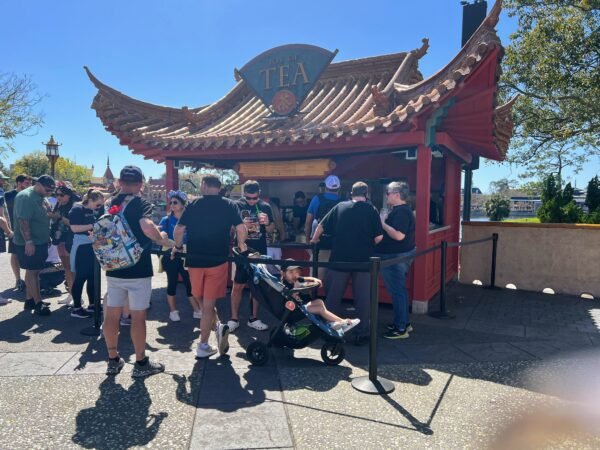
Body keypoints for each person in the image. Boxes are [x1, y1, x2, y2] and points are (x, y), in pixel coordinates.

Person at [102, 166, 174, 377]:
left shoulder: (110, 204)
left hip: (114, 266)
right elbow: (146, 225)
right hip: (138, 268)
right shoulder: (141, 204)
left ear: (120, 183)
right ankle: (141, 363)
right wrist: (162, 239)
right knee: (138, 316)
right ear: (141, 184)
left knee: (112, 314)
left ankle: (113, 359)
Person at [172, 175, 247, 358]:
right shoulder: (229, 204)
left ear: (204, 186)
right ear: (219, 187)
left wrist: (178, 246)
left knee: (201, 301)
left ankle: (215, 332)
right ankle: (204, 343)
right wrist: (242, 245)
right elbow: (241, 228)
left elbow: (179, 229)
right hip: (217, 260)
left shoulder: (193, 204)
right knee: (208, 305)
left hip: (194, 260)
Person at [311, 181, 383, 345]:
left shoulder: (339, 207)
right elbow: (379, 237)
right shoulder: (371, 209)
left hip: (339, 259)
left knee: (333, 296)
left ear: (351, 193)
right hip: (364, 261)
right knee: (363, 299)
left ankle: (327, 328)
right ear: (366, 195)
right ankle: (362, 333)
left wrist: (314, 240)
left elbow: (320, 226)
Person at [229, 180, 274, 332]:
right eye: (248, 198)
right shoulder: (236, 205)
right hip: (241, 251)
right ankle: (234, 319)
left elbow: (270, 230)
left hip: (259, 251)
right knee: (237, 285)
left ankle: (253, 318)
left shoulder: (265, 206)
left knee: (257, 287)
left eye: (254, 198)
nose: (251, 201)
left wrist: (267, 223)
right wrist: (240, 226)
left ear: (259, 194)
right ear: (244, 195)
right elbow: (229, 229)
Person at [376, 182, 416, 339]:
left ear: (397, 194)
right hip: (398, 255)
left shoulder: (402, 212)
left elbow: (399, 236)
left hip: (395, 257)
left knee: (397, 292)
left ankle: (401, 329)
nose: (386, 195)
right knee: (400, 291)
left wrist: (382, 223)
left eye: (388, 192)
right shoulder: (401, 211)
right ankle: (404, 323)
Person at [13, 175, 56, 316]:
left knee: (33, 271)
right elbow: (23, 221)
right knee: (33, 272)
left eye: (51, 190)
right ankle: (38, 303)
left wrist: (46, 235)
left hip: (40, 240)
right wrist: (29, 242)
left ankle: (29, 299)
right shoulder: (26, 197)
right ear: (38, 184)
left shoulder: (40, 195)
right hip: (31, 242)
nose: (49, 192)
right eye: (47, 189)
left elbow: (43, 216)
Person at [281, 259, 359, 332]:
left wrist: (315, 280)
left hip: (302, 306)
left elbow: (307, 278)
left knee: (319, 301)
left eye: (296, 272)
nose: (294, 275)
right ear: (283, 273)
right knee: (320, 309)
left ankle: (332, 322)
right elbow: (291, 298)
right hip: (294, 310)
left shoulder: (296, 279)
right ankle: (344, 322)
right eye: (291, 272)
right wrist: (296, 288)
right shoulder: (284, 285)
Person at [158, 190, 201, 322]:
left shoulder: (192, 220)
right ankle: (173, 311)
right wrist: (173, 244)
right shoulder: (165, 220)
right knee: (172, 282)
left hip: (187, 255)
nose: (172, 204)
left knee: (190, 283)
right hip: (170, 255)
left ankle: (197, 310)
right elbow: (160, 239)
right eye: (170, 202)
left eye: (175, 202)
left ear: (183, 204)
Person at [68, 189, 105, 319]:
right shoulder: (77, 209)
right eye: (98, 204)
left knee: (92, 276)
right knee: (81, 277)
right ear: (90, 201)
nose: (99, 208)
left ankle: (93, 305)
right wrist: (93, 225)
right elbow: (74, 228)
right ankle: (77, 308)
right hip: (81, 247)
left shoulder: (90, 210)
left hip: (91, 246)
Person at [304, 175, 342, 281]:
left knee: (314, 279)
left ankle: (313, 297)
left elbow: (308, 222)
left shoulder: (317, 199)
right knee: (334, 281)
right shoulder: (343, 201)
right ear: (339, 188)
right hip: (337, 247)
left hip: (320, 245)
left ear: (325, 187)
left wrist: (308, 240)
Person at [50, 182, 77, 305]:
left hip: (69, 240)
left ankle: (77, 296)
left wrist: (59, 217)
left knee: (72, 269)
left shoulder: (75, 207)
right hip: (60, 239)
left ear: (69, 195)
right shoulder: (59, 205)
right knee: (66, 269)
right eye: (57, 194)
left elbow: (73, 224)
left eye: (61, 195)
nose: (58, 197)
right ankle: (71, 295)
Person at [4, 174, 32, 292]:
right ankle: (18, 280)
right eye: (26, 183)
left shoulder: (29, 195)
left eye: (30, 183)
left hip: (28, 230)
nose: (29, 185)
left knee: (29, 254)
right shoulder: (8, 195)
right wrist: (8, 230)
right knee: (15, 254)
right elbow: (4, 213)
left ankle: (30, 280)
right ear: (19, 183)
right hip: (14, 230)